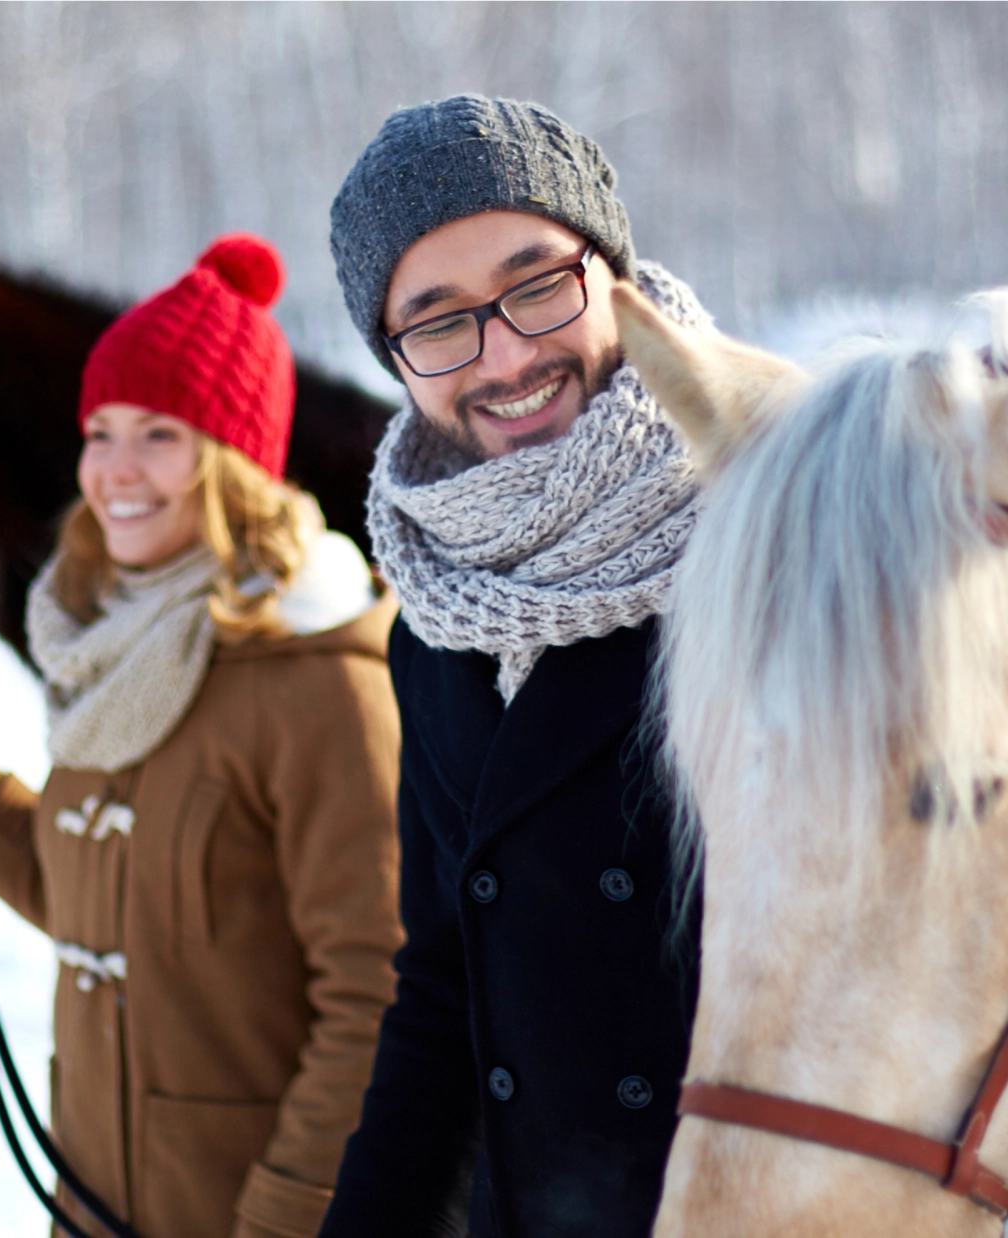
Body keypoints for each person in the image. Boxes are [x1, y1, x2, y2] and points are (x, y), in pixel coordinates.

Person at [0, 234, 404, 1238]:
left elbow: (376, 996)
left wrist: (285, 1218)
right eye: (100, 432)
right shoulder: (114, 648)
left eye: (159, 434)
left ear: (232, 458)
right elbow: (98, 896)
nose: (115, 469)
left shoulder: (320, 677)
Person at [315, 95, 716, 1238]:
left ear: (613, 275)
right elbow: (446, 987)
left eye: (539, 285)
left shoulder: (769, 535)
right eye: (438, 323)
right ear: (395, 359)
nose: (506, 354)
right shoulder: (437, 616)